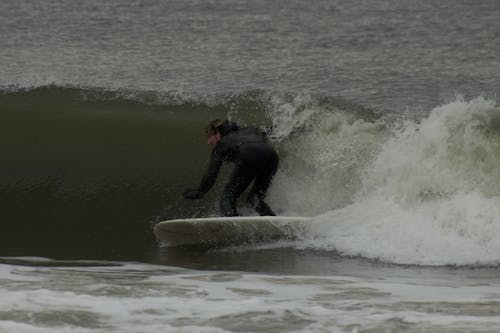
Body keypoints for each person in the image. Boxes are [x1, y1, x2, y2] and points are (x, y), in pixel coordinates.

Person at [183, 119, 279, 216]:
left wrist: (199, 192)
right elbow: (272, 131)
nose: (208, 142)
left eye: (209, 136)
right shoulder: (250, 130)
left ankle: (235, 226)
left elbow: (211, 175)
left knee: (226, 200)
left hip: (249, 155)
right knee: (255, 199)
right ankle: (274, 220)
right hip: (272, 157)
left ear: (217, 133)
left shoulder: (222, 145)